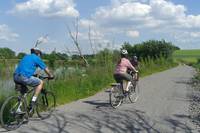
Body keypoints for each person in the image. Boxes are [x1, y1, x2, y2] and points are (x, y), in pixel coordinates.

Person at [14, 47, 54, 113]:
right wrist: (51, 76)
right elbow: (46, 69)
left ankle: (19, 109)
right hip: (24, 77)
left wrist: (33, 75)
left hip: (15, 76)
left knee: (24, 92)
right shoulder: (37, 58)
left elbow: (25, 68)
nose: (40, 56)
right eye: (40, 54)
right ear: (38, 53)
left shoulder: (26, 56)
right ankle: (33, 101)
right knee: (40, 82)